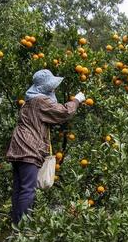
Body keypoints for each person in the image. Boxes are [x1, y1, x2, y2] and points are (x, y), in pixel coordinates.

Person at [6, 69, 85, 224]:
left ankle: (16, 224)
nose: (53, 89)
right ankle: (21, 228)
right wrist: (76, 100)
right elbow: (64, 112)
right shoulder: (40, 101)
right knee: (28, 189)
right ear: (44, 87)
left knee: (19, 188)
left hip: (17, 147)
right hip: (28, 148)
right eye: (51, 86)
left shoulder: (29, 101)